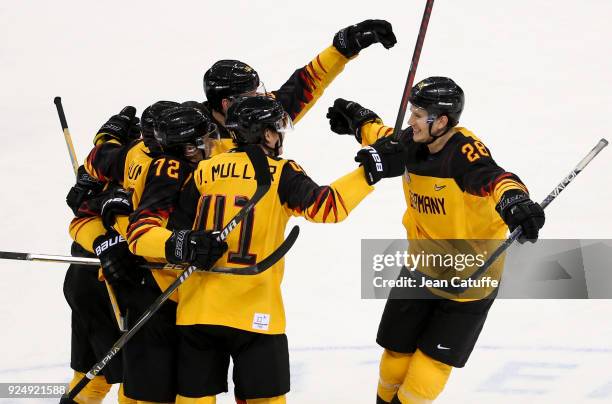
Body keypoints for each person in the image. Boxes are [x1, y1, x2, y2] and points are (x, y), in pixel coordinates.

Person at [165, 95, 406, 404]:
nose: (279, 136)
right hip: (255, 313)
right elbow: (327, 207)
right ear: (266, 134)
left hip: (197, 311)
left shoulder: (204, 171)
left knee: (193, 400)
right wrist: (369, 172)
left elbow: (173, 235)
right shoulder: (279, 172)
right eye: (277, 129)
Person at [326, 76, 545, 403]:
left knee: (429, 367)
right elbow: (382, 136)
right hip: (421, 266)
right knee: (395, 357)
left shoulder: (464, 154)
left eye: (418, 114)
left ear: (441, 121)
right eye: (412, 111)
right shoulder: (411, 141)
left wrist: (515, 200)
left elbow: (498, 179)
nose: (410, 120)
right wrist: (358, 119)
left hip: (470, 275)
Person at [201, 19, 397, 155]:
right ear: (227, 104)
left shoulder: (262, 114)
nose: (262, 99)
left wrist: (341, 49)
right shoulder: (194, 140)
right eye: (252, 95)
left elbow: (308, 82)